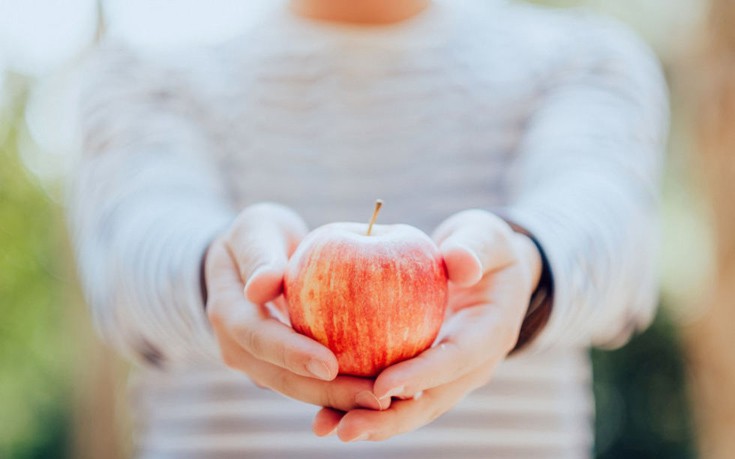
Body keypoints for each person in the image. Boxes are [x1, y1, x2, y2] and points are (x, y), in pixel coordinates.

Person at [68, 0, 668, 457]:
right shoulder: (147, 73)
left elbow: (615, 241)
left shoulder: (583, 60)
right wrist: (215, 274)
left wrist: (529, 265)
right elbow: (130, 266)